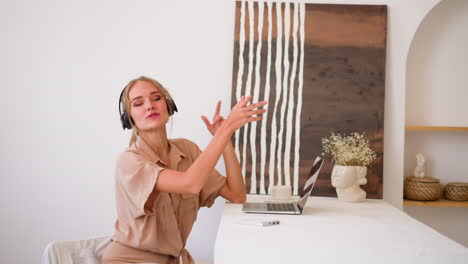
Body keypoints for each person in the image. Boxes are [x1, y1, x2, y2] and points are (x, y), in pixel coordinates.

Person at [101, 76, 267, 264]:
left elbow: (237, 195)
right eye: (138, 103)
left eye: (156, 98)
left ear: (169, 106)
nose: (149, 106)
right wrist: (226, 130)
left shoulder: (187, 150)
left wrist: (225, 141)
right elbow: (190, 183)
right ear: (129, 118)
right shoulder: (129, 161)